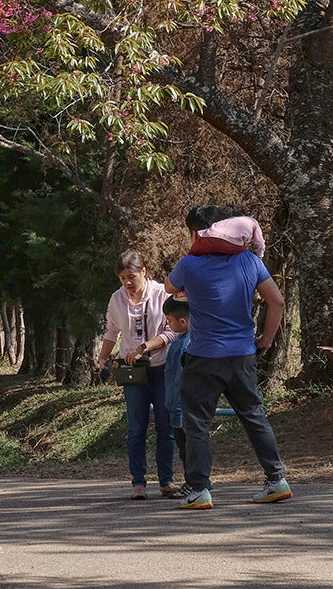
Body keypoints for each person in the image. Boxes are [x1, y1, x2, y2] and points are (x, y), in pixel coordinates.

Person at [168, 205, 292, 509]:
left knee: (197, 422)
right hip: (243, 354)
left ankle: (199, 489)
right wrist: (266, 338)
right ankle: (276, 480)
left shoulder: (189, 264)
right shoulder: (250, 261)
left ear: (198, 234)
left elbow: (171, 288)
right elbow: (277, 302)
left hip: (203, 356)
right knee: (253, 415)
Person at [95, 250, 176, 499]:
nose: (127, 283)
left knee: (166, 425)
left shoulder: (163, 293)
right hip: (134, 374)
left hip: (163, 368)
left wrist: (144, 348)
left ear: (145, 271)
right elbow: (112, 332)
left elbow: (172, 331)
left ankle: (167, 480)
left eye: (131, 276)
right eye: (122, 278)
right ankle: (138, 482)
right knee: (136, 427)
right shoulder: (117, 299)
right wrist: (103, 358)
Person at [134, 294, 191, 492]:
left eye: (169, 321)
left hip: (184, 408)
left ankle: (197, 483)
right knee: (184, 449)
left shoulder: (188, 345)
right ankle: (193, 482)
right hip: (173, 405)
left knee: (190, 448)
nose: (168, 325)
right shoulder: (178, 342)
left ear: (182, 321)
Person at [187, 208, 267, 259]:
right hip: (236, 246)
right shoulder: (252, 222)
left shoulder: (221, 224)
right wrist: (259, 258)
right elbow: (260, 243)